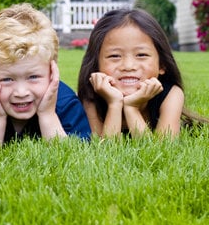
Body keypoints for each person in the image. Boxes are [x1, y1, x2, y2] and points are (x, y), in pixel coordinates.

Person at [0, 3, 91, 146]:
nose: (21, 92)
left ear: (52, 71)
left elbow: (73, 157)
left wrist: (48, 115)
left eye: (33, 77)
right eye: (7, 79)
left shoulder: (66, 102)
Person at [77, 8, 207, 138]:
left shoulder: (171, 94)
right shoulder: (90, 95)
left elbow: (162, 151)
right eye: (115, 56)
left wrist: (131, 107)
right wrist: (114, 104)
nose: (128, 66)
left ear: (162, 64)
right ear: (96, 65)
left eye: (141, 54)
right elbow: (104, 150)